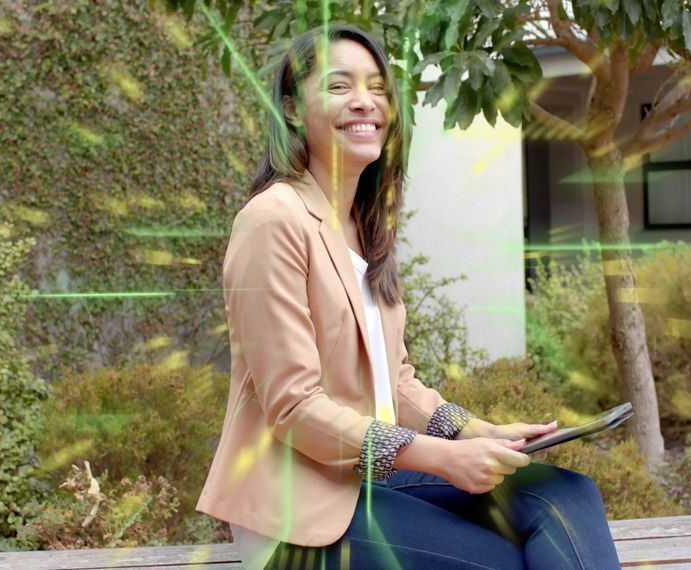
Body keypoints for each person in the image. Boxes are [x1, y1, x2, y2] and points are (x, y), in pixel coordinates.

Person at [196, 23, 622, 570]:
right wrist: (445, 459)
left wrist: (476, 432)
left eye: (377, 87)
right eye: (338, 86)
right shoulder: (272, 221)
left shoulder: (361, 225)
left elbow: (395, 381)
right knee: (505, 560)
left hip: (369, 480)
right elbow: (295, 408)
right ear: (293, 110)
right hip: (298, 511)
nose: (364, 102)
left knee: (566, 493)